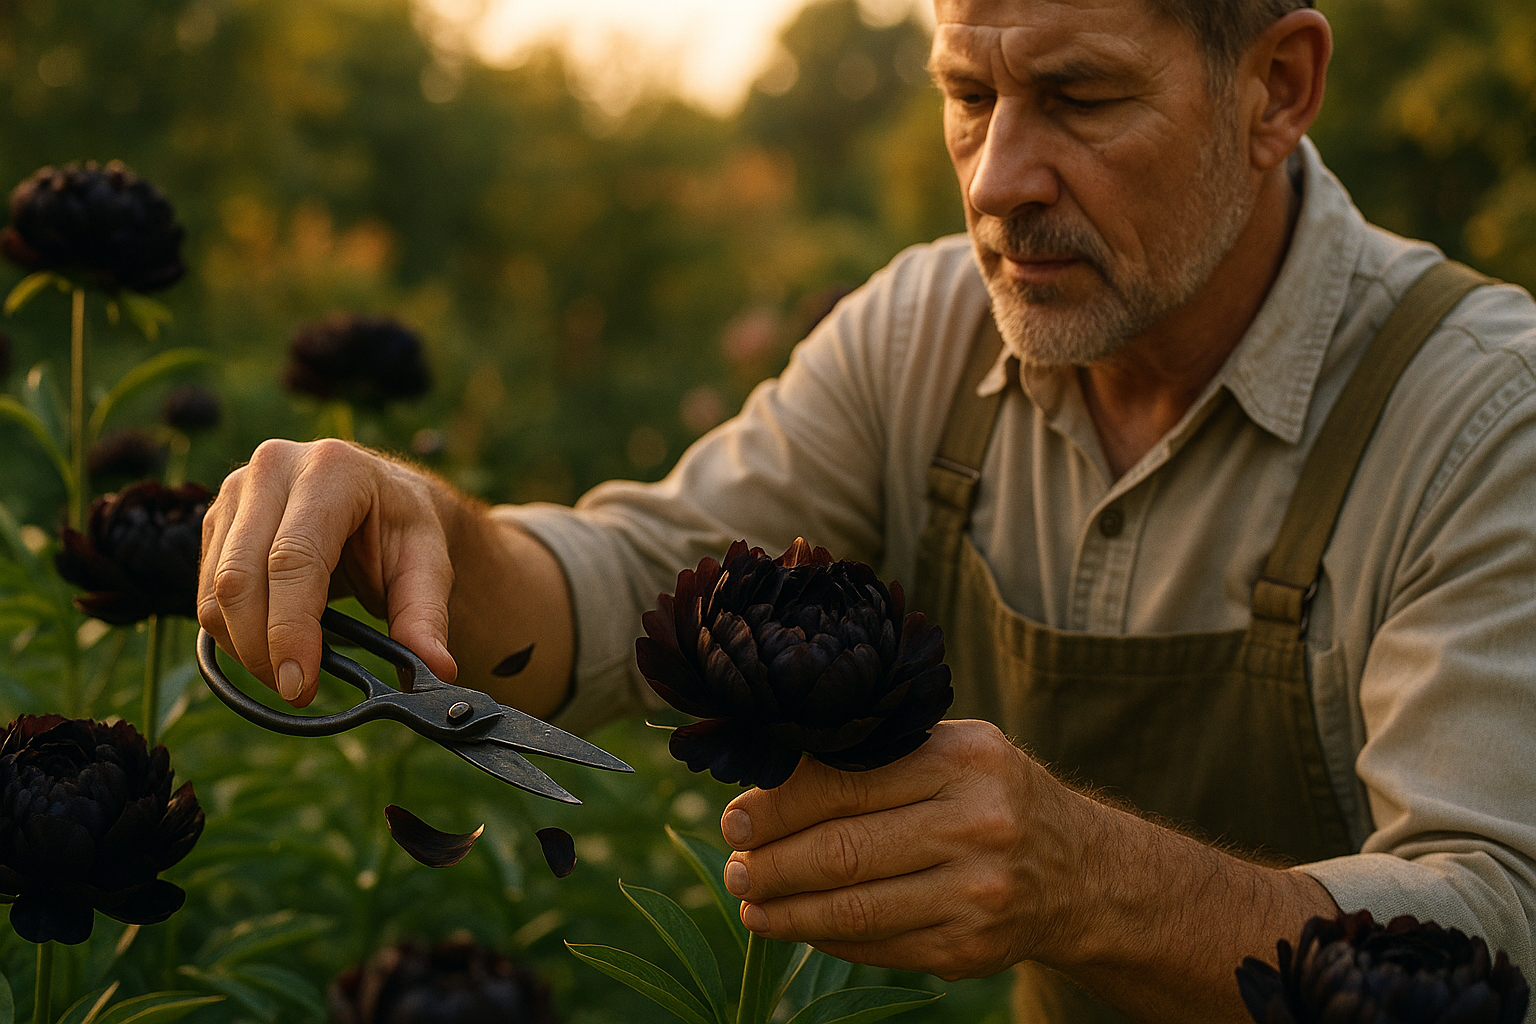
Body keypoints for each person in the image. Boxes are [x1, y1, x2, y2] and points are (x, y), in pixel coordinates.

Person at [197, 0, 1536, 1020]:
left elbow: (1497, 926)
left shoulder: (1484, 418)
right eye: (969, 95)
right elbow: (627, 589)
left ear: (1277, 87)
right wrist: (426, 529)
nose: (997, 178)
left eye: (1079, 98)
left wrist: (1087, 880)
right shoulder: (922, 335)